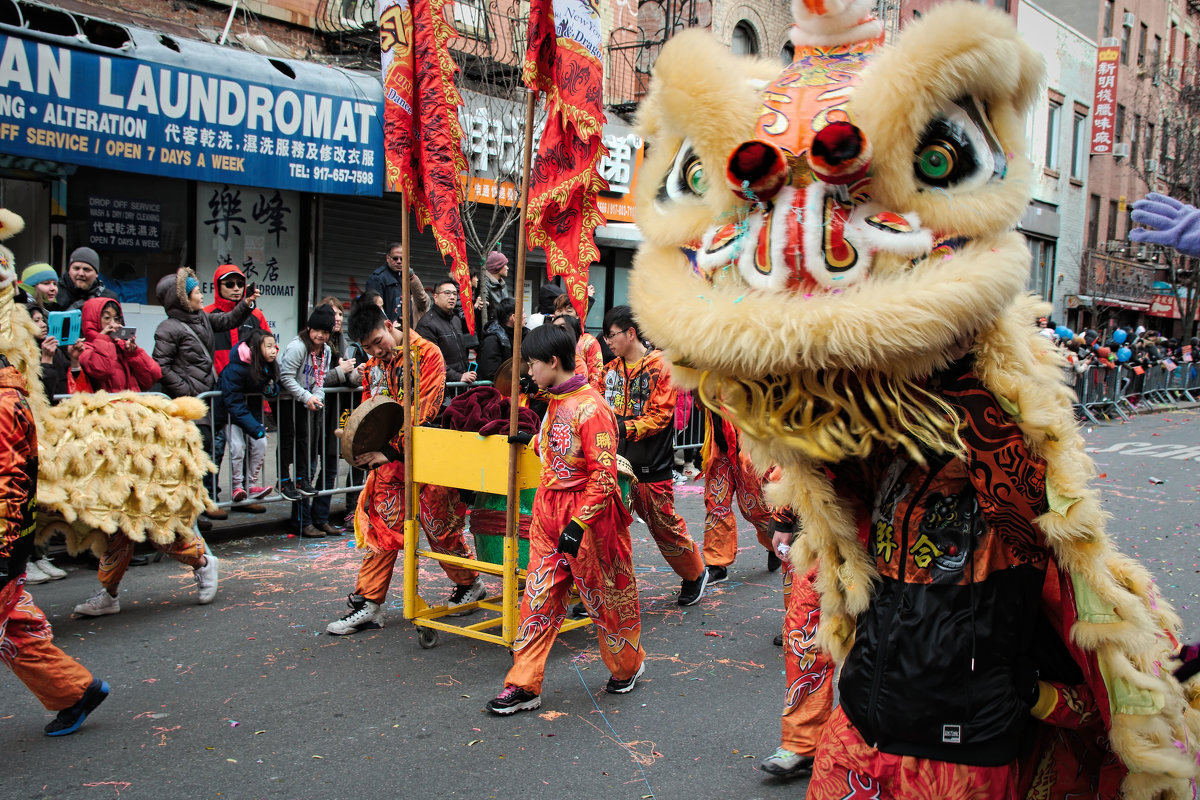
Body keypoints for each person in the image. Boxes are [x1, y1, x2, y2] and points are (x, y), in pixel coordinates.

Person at [486, 324, 645, 715]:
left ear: (553, 362)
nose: (529, 372)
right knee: (537, 598)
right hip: (548, 513)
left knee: (603, 598)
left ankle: (628, 665)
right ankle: (524, 684)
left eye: (533, 364)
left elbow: (604, 477)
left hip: (587, 519)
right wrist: (531, 440)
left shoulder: (592, 408)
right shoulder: (555, 399)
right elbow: (555, 444)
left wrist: (578, 524)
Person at [325, 299, 484, 635]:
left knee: (439, 524)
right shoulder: (372, 367)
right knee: (381, 527)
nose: (375, 352)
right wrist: (358, 438)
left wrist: (390, 449)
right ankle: (367, 603)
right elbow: (371, 410)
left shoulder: (427, 354)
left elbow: (424, 411)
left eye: (377, 342)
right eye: (367, 348)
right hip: (388, 464)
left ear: (390, 325)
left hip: (429, 454)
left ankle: (469, 583)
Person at [0, 267, 109, 736]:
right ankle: (73, 691)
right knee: (15, 626)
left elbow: (7, 483)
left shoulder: (4, 403)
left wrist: (4, 556)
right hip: (9, 547)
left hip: (3, 544)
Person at [600, 305, 709, 606]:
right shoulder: (609, 371)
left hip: (650, 463)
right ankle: (605, 592)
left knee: (663, 527)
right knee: (606, 527)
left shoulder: (661, 365)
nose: (608, 342)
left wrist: (622, 428)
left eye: (612, 335)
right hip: (615, 466)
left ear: (630, 333)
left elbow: (660, 416)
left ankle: (694, 573)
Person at [152, 267, 258, 520]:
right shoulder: (168, 328)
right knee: (193, 457)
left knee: (210, 451)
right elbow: (160, 366)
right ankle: (191, 513)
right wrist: (187, 390)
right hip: (190, 404)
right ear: (182, 298)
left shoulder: (201, 317)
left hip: (207, 400)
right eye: (196, 291)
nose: (201, 294)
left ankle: (202, 505)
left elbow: (227, 320)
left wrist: (246, 305)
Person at [759, 507, 834, 780]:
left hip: (884, 546)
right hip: (819, 541)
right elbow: (798, 465)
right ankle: (804, 742)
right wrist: (784, 520)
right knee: (803, 636)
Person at [277, 304, 349, 537]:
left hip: (311, 405)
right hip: (292, 404)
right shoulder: (297, 347)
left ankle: (317, 517)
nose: (321, 336)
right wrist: (306, 396)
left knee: (312, 455)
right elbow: (286, 377)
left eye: (325, 332)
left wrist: (316, 396)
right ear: (308, 328)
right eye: (317, 331)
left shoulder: (326, 350)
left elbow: (320, 379)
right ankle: (301, 519)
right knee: (298, 451)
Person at [700, 406, 776, 583]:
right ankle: (716, 564)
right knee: (716, 502)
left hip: (747, 445)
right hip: (719, 446)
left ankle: (775, 542)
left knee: (755, 508)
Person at [215, 328, 279, 507]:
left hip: (250, 412)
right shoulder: (235, 368)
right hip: (229, 414)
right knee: (237, 447)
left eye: (274, 346)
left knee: (261, 444)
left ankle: (251, 485)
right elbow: (233, 402)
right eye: (269, 346)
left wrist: (271, 389)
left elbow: (274, 385)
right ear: (255, 348)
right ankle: (237, 486)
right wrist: (255, 427)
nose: (274, 350)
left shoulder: (265, 364)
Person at [76, 297, 160, 393]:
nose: (113, 323)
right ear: (93, 320)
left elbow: (151, 378)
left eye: (116, 319)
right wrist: (104, 338)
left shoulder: (122, 347)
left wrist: (133, 353)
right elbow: (101, 371)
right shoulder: (83, 348)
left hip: (130, 405)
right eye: (107, 318)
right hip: (104, 405)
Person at [205, 264, 271, 375]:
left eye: (240, 284)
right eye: (230, 284)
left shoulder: (256, 314)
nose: (236, 288)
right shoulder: (206, 314)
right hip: (215, 383)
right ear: (218, 287)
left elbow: (272, 346)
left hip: (249, 383)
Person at [416, 280, 476, 384]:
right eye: (447, 293)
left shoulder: (456, 320)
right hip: (441, 386)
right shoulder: (427, 324)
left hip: (461, 385)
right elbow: (430, 362)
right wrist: (457, 377)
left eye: (454, 293)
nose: (452, 297)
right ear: (435, 297)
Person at [365, 242, 430, 327]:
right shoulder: (377, 278)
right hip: (389, 332)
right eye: (395, 258)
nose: (399, 262)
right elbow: (373, 310)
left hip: (407, 332)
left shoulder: (406, 277)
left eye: (402, 258)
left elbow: (422, 301)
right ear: (388, 258)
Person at [553, 298, 604, 391]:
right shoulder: (549, 338)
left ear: (577, 314)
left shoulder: (589, 341)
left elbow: (596, 375)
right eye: (559, 311)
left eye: (569, 311)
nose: (563, 314)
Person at [57, 247, 117, 312]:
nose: (81, 273)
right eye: (76, 268)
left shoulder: (108, 298)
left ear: (96, 274)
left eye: (86, 269)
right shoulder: (54, 292)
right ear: (69, 270)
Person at [478, 296, 520, 383]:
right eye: (522, 313)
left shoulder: (519, 334)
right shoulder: (492, 340)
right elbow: (491, 372)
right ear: (513, 317)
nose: (525, 316)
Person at [478, 251, 512, 330]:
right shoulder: (483, 284)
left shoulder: (503, 284)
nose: (507, 268)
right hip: (492, 330)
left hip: (503, 328)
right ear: (497, 266)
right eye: (505, 265)